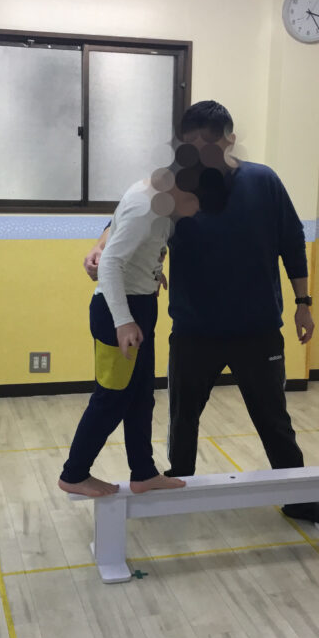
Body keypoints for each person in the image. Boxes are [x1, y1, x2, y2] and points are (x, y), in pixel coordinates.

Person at [84, 101, 319, 523]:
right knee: (183, 419)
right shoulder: (175, 184)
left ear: (230, 140)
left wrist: (303, 303)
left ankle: (298, 497)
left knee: (274, 419)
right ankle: (180, 486)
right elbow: (126, 216)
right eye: (191, 145)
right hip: (194, 328)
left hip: (257, 328)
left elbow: (292, 239)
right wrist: (100, 246)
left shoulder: (263, 181)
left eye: (209, 143)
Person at [59, 162, 211, 497]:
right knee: (112, 398)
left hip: (140, 304)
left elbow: (132, 245)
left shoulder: (160, 198)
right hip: (118, 311)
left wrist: (151, 272)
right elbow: (110, 263)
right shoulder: (147, 207)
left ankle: (143, 473)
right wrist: (123, 321)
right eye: (195, 201)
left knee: (141, 397)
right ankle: (74, 474)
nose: (195, 209)